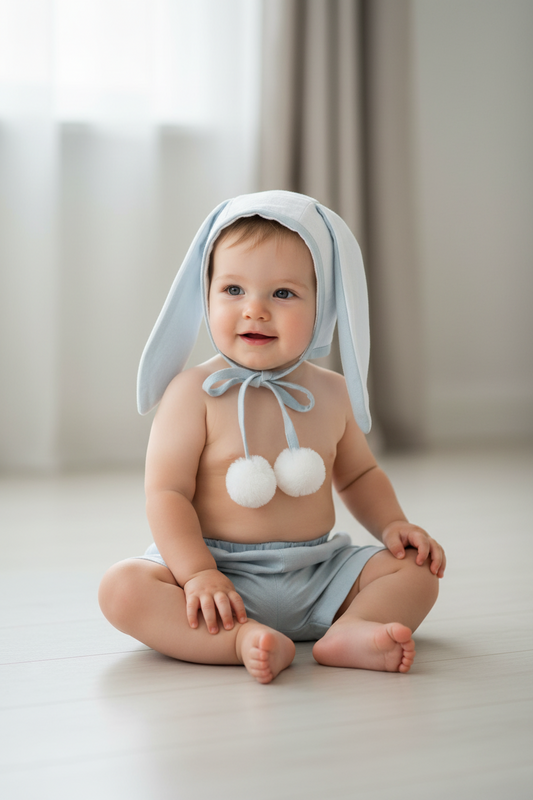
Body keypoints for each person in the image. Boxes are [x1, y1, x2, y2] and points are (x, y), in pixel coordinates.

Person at [99, 190, 445, 684]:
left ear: (322, 304)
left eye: (282, 294)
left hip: (317, 571)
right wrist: (198, 573)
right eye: (233, 290)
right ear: (207, 293)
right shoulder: (192, 393)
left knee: (417, 572)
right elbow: (166, 493)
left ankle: (352, 629)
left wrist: (393, 525)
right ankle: (240, 640)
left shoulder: (330, 392)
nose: (254, 311)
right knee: (122, 588)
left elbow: (360, 473)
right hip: (220, 574)